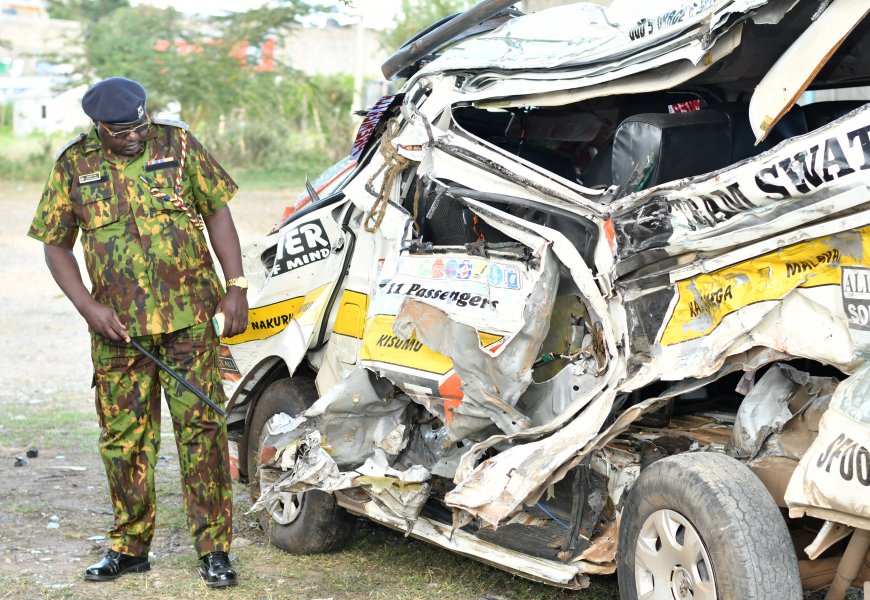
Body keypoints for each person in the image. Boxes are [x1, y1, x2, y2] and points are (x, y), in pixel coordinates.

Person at [28, 77, 249, 588]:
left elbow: (218, 209)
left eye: (140, 124)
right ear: (98, 127)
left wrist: (234, 285)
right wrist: (87, 307)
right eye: (122, 130)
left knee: (203, 432)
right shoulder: (72, 165)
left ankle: (214, 549)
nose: (134, 135)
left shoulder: (178, 144)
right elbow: (55, 244)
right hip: (119, 332)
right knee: (124, 440)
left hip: (190, 319)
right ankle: (130, 547)